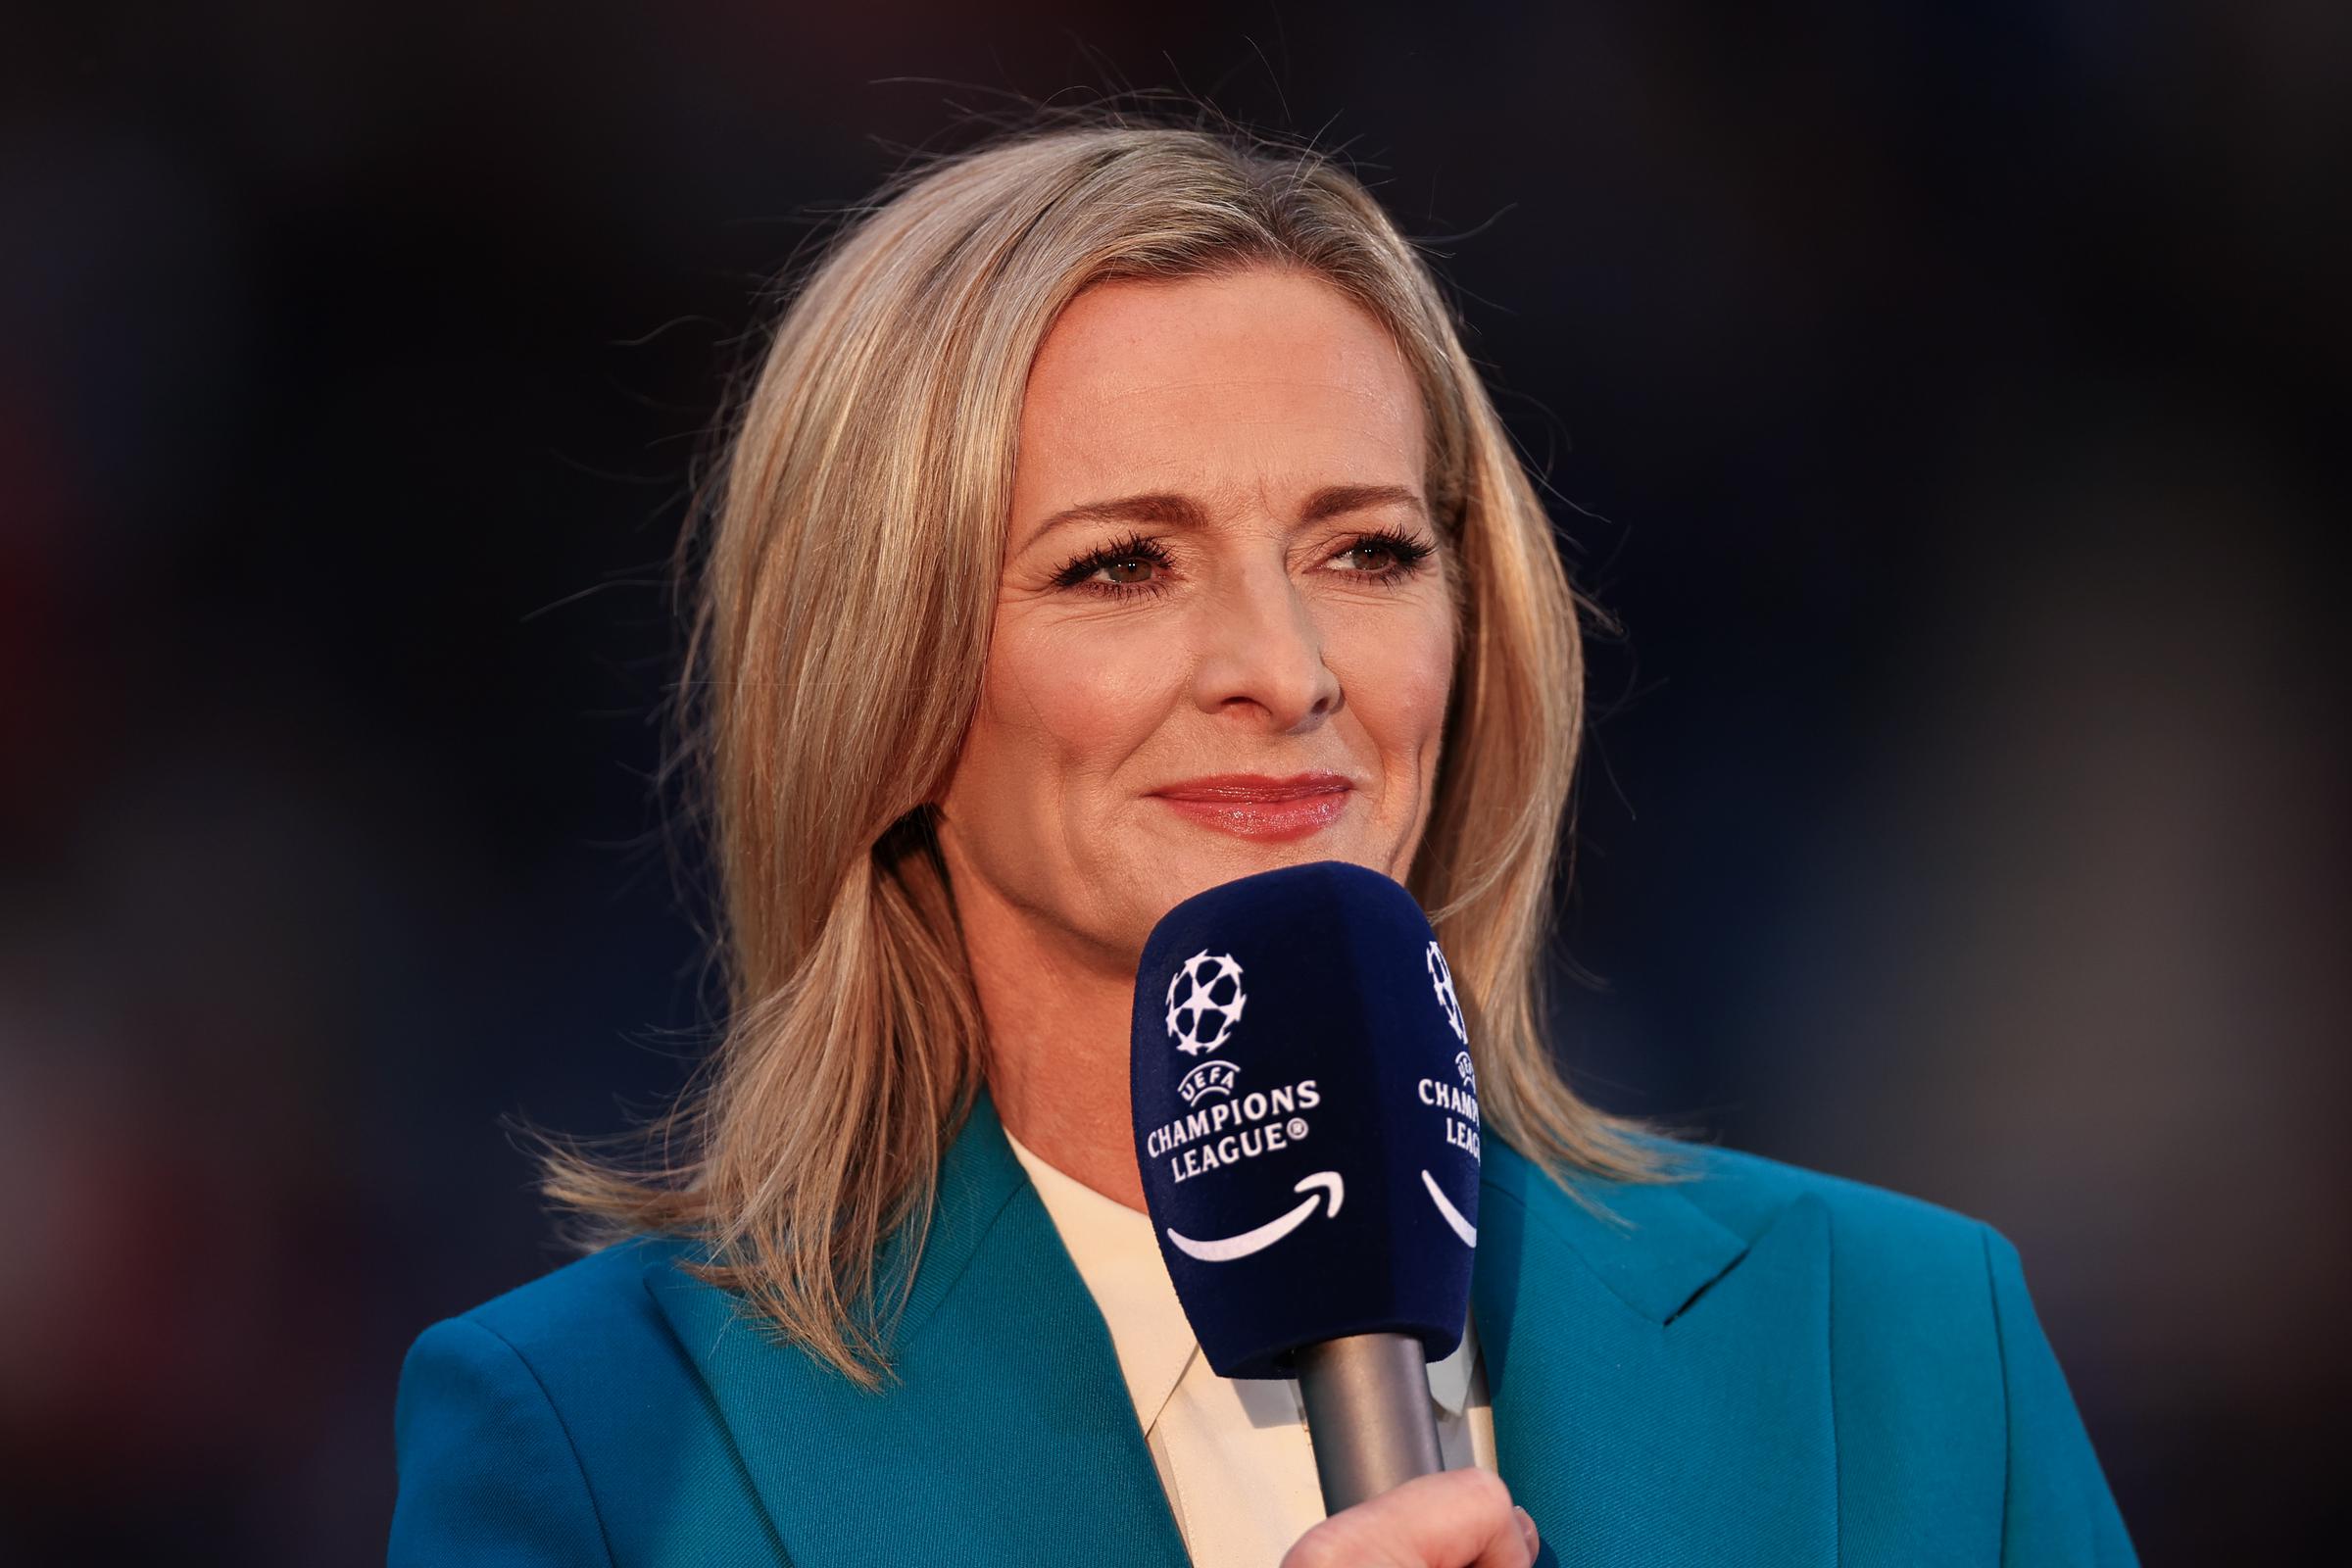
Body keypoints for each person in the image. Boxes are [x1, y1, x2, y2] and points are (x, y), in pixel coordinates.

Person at [388, 113, 2139, 1567]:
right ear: (887, 674)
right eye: (1119, 566)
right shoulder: (603, 1445)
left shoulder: (1902, 1350)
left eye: (1367, 551)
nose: (1284, 673)